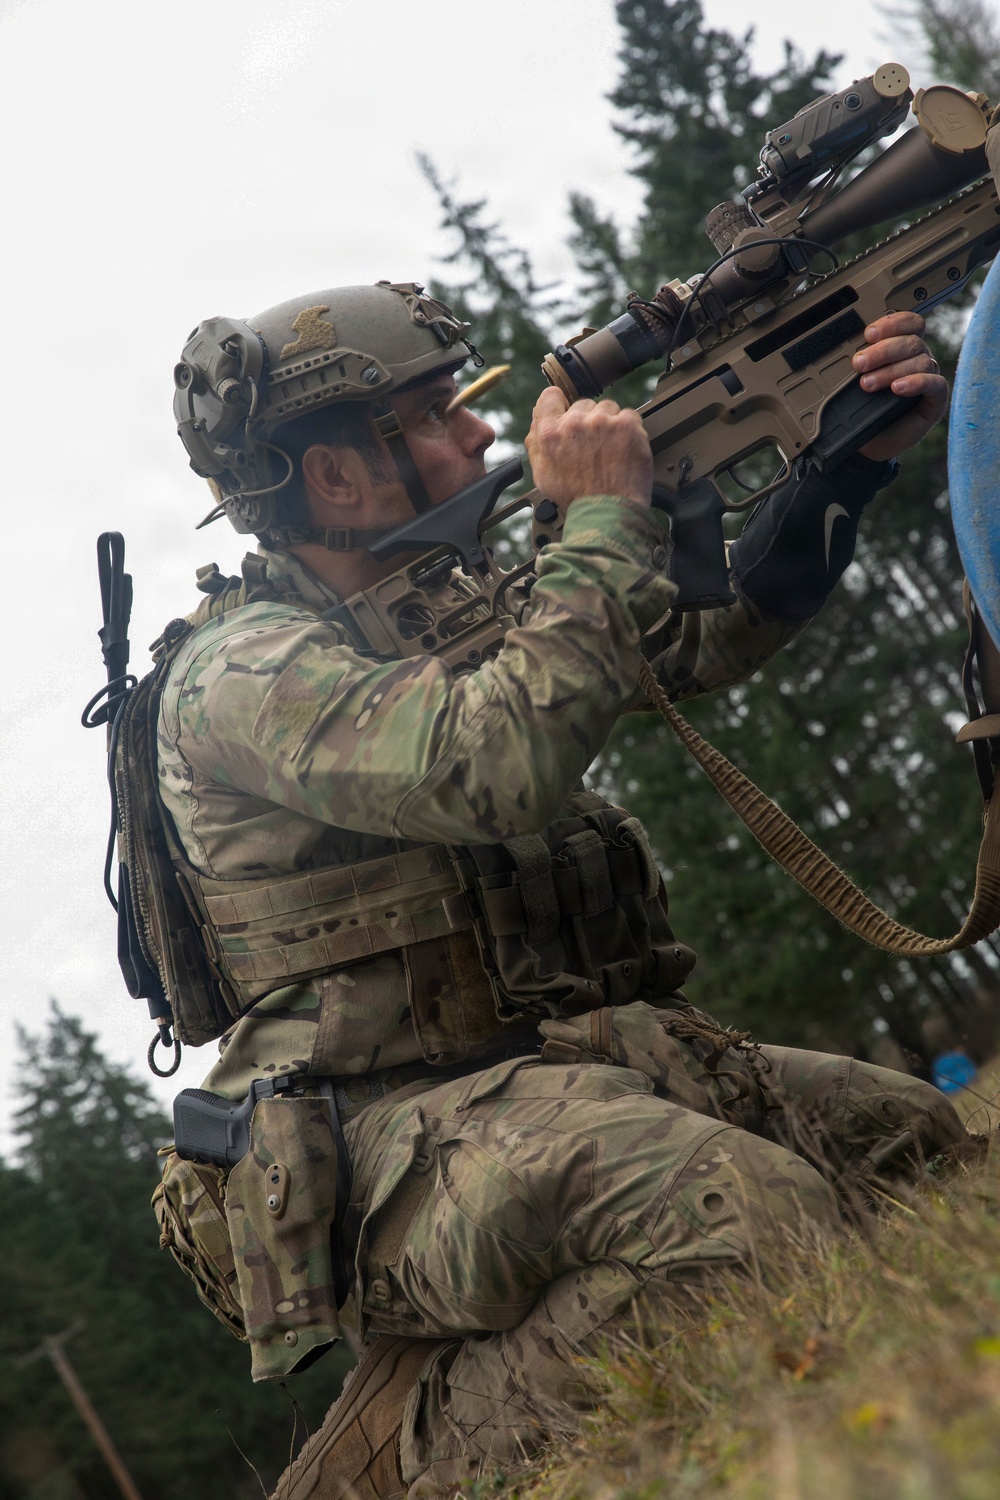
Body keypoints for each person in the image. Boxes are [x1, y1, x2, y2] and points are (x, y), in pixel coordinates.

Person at [151, 282, 962, 1499]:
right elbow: (491, 764)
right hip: (369, 1144)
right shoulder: (240, 673)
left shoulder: (426, 599)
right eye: (436, 413)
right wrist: (592, 525)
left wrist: (842, 459)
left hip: (548, 1067)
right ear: (333, 477)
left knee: (912, 1151)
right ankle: (406, 1465)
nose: (484, 434)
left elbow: (685, 640)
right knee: (745, 1214)